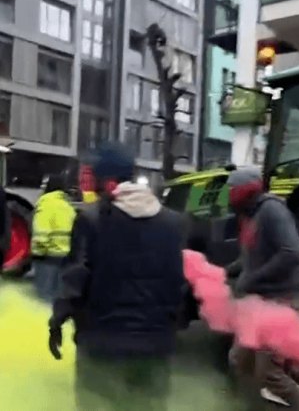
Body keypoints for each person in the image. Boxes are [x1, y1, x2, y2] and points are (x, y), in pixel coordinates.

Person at [47, 143, 186, 411]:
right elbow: (178, 284)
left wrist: (57, 321)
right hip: (155, 347)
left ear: (106, 180)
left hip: (102, 344)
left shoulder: (92, 219)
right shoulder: (172, 222)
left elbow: (76, 279)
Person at [224, 168, 299, 411]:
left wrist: (252, 279)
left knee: (270, 373)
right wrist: (226, 271)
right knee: (238, 360)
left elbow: (292, 253)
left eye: (232, 189)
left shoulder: (272, 211)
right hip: (259, 303)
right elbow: (252, 258)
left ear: (246, 189)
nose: (229, 194)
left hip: (279, 302)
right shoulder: (251, 216)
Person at [30, 174, 76, 302]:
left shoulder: (46, 204)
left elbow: (42, 234)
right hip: (65, 256)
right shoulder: (67, 206)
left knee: (44, 296)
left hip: (47, 257)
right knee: (58, 295)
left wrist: (37, 252)